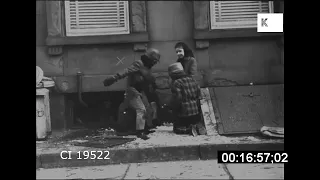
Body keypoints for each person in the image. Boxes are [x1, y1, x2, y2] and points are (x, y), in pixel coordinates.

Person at [103, 48, 160, 140]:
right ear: (150, 58)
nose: (155, 63)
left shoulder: (147, 67)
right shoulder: (139, 64)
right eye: (154, 61)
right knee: (141, 110)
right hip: (133, 90)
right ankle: (140, 132)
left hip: (140, 91)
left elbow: (148, 78)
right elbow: (127, 71)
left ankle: (144, 128)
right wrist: (115, 77)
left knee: (146, 108)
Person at [167, 63, 202, 136]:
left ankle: (188, 130)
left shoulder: (177, 82)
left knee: (176, 129)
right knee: (192, 122)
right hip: (195, 112)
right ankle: (195, 127)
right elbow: (199, 95)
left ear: (173, 74)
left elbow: (178, 98)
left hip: (184, 113)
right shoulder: (193, 80)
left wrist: (172, 108)